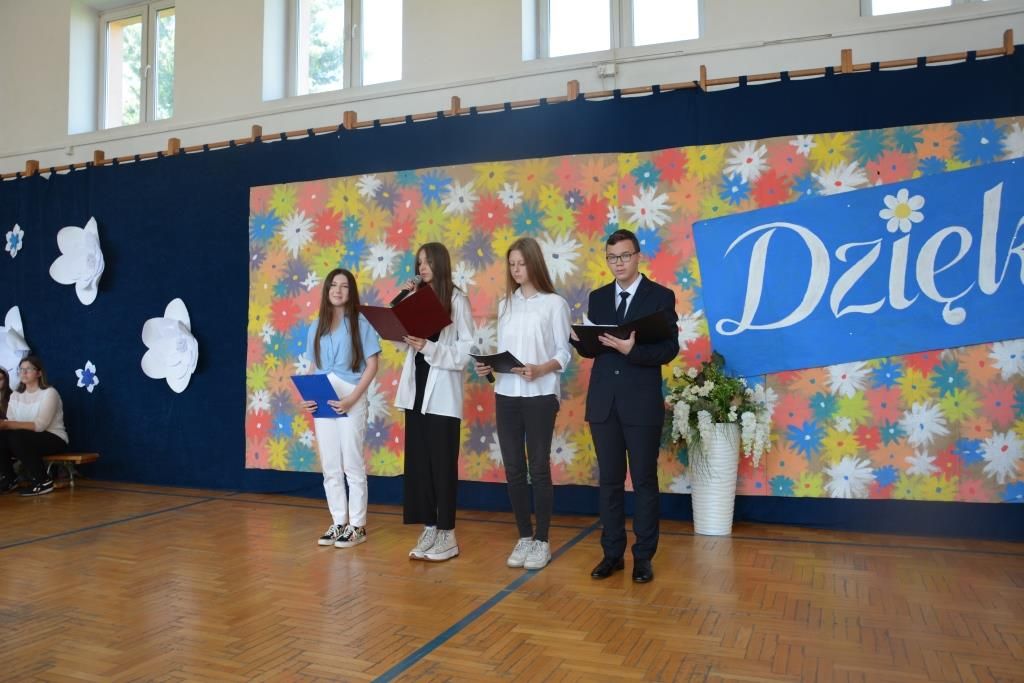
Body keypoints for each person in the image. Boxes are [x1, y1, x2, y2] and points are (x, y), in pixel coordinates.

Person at [570, 229, 679, 584]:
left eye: (625, 256)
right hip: (604, 402)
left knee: (644, 481)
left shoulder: (660, 296)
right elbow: (596, 349)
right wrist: (578, 341)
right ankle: (612, 553)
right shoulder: (599, 297)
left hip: (641, 404)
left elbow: (669, 349)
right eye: (612, 257)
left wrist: (633, 351)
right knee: (609, 482)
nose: (618, 263)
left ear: (637, 256)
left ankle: (643, 557)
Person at [475, 237, 571, 571]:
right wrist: (489, 367)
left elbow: (564, 352)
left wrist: (541, 369)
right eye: (512, 264)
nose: (516, 270)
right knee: (514, 468)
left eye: (521, 263)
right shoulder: (506, 305)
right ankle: (524, 536)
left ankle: (542, 540)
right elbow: (505, 352)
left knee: (539, 467)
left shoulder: (554, 304)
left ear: (534, 264)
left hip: (541, 395)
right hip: (506, 395)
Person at [393, 243, 473, 562]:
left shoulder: (457, 300)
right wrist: (404, 305)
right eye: (419, 263)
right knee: (420, 465)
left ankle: (447, 533)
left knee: (442, 466)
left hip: (442, 396)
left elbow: (466, 351)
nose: (422, 268)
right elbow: (404, 342)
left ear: (441, 263)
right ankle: (429, 526)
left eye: (427, 262)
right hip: (416, 393)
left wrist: (430, 347)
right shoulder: (416, 298)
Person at [302, 268, 381, 548]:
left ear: (351, 291)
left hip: (351, 396)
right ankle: (338, 521)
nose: (337, 290)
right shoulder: (316, 326)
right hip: (322, 397)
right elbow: (313, 366)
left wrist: (353, 399)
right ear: (326, 290)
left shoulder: (361, 323)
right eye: (333, 285)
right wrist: (307, 394)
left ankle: (357, 525)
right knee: (330, 464)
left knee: (352, 462)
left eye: (344, 286)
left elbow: (372, 365)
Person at [0, 356, 68, 496]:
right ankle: (9, 479)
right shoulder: (15, 395)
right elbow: (11, 423)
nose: (23, 373)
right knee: (4, 436)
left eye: (28, 369)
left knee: (17, 436)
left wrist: (5, 424)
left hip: (54, 438)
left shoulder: (49, 393)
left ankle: (43, 481)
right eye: (21, 369)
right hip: (24, 438)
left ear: (39, 373)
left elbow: (40, 425)